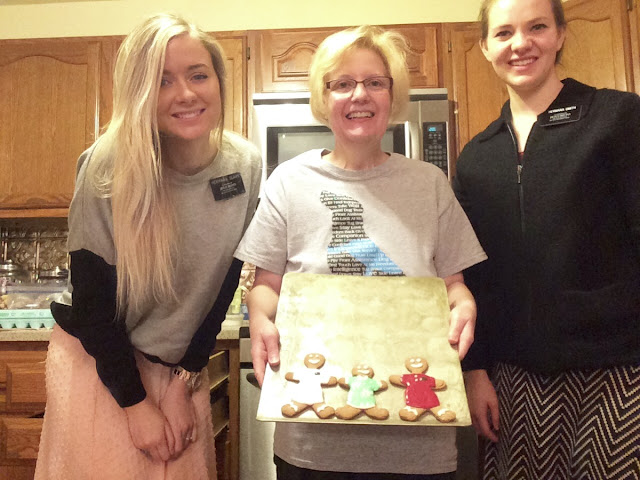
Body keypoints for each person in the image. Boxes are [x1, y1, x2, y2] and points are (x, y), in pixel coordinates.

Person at [234, 25, 487, 479]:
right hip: (311, 436)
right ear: (323, 95)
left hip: (420, 439)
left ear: (393, 94)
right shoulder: (288, 182)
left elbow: (453, 286)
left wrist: (464, 305)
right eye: (342, 83)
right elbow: (266, 286)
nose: (359, 95)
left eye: (374, 82)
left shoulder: (429, 183)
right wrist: (260, 317)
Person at [34, 13, 261, 480]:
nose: (186, 93)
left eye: (198, 75)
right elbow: (94, 306)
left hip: (179, 369)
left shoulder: (244, 166)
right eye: (162, 81)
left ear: (219, 81)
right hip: (103, 366)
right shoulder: (107, 167)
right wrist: (135, 404)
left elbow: (222, 287)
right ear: (139, 93)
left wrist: (183, 380)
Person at [452, 0, 640, 478]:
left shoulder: (617, 119)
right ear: (485, 46)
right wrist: (475, 371)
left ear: (560, 34)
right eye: (504, 33)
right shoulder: (476, 157)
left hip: (619, 370)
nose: (521, 44)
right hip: (512, 379)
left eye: (536, 27)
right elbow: (472, 277)